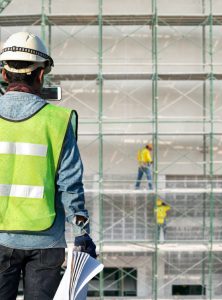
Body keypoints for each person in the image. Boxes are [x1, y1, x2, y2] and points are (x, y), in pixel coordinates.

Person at [0, 32, 97, 300]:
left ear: (4, 74)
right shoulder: (58, 120)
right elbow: (71, 185)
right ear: (41, 74)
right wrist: (82, 234)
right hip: (46, 242)